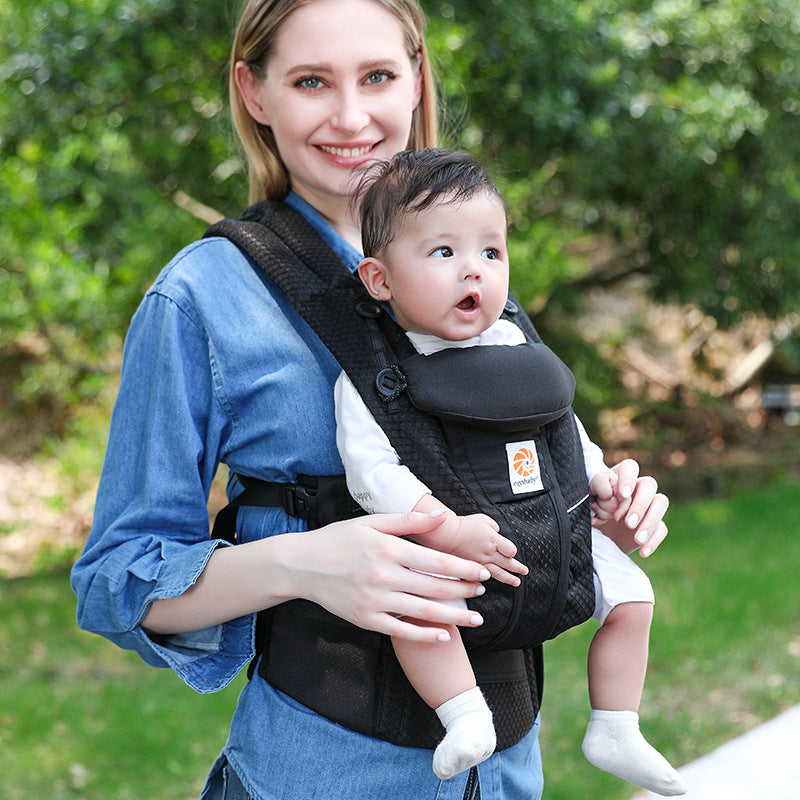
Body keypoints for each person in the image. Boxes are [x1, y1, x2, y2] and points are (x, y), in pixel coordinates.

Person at [69, 2, 671, 798]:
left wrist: (593, 505)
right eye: (311, 81)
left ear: (416, 77)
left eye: (379, 76)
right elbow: (116, 579)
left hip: (508, 774)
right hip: (320, 773)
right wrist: (305, 563)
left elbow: (514, 462)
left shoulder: (471, 261)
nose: (351, 117)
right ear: (254, 92)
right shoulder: (201, 298)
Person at [334, 148, 686, 795]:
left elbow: (560, 426)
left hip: (550, 526)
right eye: (443, 253)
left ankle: (616, 724)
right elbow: (370, 470)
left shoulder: (517, 344)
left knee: (634, 598)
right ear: (379, 280)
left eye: (491, 253)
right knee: (420, 614)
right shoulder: (378, 370)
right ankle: (464, 715)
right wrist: (440, 527)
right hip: (454, 545)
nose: (474, 269)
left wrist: (601, 479)